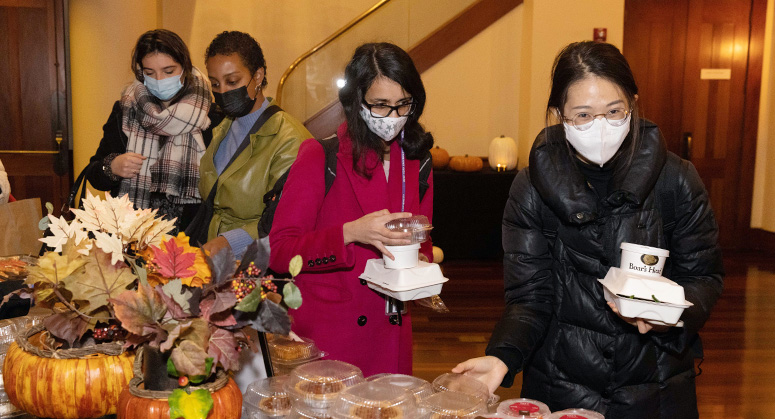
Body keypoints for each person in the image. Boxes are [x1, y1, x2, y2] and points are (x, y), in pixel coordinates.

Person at [453, 41, 723, 419]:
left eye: (614, 111)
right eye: (582, 115)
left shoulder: (676, 179)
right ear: (558, 115)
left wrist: (669, 315)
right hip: (561, 384)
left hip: (656, 384)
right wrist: (502, 357)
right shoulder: (531, 188)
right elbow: (530, 296)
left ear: (633, 103)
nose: (600, 127)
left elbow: (703, 276)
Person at [268, 43, 435, 377]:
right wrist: (351, 234)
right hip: (332, 339)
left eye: (403, 105)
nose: (394, 118)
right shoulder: (320, 156)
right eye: (381, 105)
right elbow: (278, 252)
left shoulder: (417, 162)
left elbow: (424, 244)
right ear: (357, 103)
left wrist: (424, 268)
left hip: (390, 330)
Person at [87, 29, 214, 232]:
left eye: (169, 71)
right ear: (140, 72)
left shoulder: (210, 114)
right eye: (149, 73)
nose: (160, 79)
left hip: (190, 237)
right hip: (133, 235)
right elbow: (94, 174)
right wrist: (112, 166)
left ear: (185, 68)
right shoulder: (125, 109)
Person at [198, 31, 310, 259]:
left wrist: (227, 242)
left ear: (258, 76)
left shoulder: (290, 138)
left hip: (256, 263)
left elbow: (285, 219)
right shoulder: (223, 127)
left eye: (232, 81)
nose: (223, 92)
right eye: (215, 84)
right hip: (216, 259)